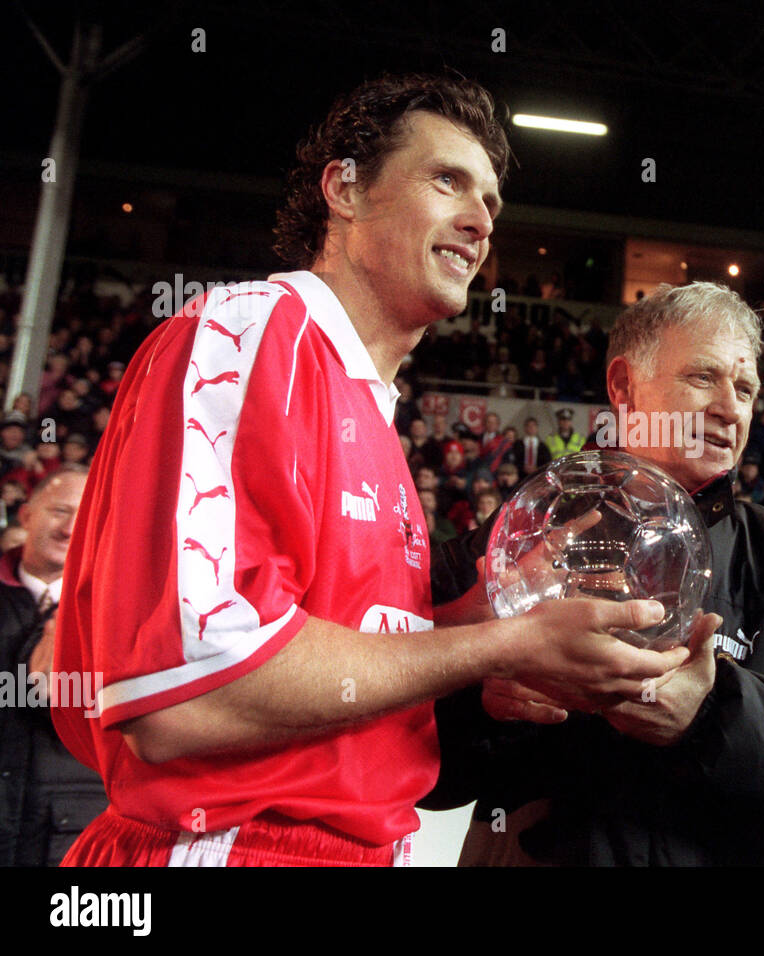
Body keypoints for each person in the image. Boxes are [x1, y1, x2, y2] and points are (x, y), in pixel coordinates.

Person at [50, 73, 691, 868]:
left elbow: (332, 660)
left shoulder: (372, 413)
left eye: (491, 202)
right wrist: (503, 644)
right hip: (230, 844)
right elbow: (189, 693)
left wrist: (479, 620)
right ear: (344, 191)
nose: (480, 220)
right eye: (447, 180)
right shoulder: (253, 337)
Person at [425, 281, 764, 865]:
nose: (730, 407)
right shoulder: (508, 546)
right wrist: (477, 695)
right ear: (623, 387)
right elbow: (398, 753)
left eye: (745, 388)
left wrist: (712, 713)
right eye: (703, 377)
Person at [1, 465, 106, 865]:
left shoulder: (112, 611)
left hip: (67, 832)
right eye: (60, 511)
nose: (69, 529)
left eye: (84, 517)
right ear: (26, 514)